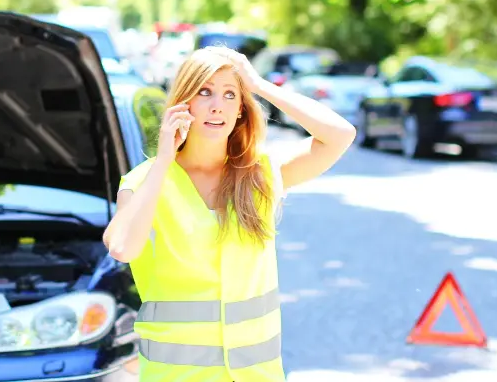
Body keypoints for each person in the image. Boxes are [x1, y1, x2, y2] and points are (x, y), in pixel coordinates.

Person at [103, 46, 356, 382]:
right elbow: (121, 247)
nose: (216, 105)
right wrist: (164, 159)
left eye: (229, 94)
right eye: (204, 92)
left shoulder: (260, 173)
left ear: (240, 109)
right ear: (184, 102)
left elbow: (340, 135)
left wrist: (260, 85)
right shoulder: (144, 181)